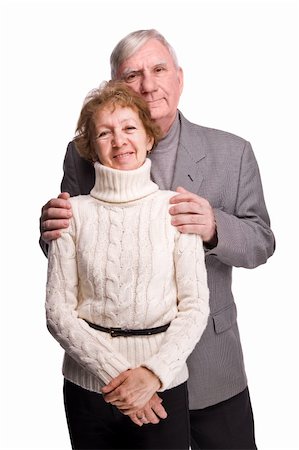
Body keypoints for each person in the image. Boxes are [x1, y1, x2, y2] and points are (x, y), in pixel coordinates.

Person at [41, 29, 275, 449]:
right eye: (132, 75)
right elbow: (69, 251)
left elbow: (262, 242)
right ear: (115, 86)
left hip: (207, 364)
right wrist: (50, 227)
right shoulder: (82, 154)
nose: (148, 85)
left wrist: (215, 226)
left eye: (158, 70)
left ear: (179, 78)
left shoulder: (232, 152)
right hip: (107, 376)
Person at [45, 80, 210, 450]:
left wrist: (152, 376)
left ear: (149, 138)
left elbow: (195, 307)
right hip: (89, 390)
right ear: (91, 147)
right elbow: (58, 312)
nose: (119, 141)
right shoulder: (71, 214)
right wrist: (122, 379)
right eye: (105, 132)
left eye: (130, 128)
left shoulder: (175, 210)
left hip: (163, 387)